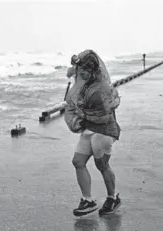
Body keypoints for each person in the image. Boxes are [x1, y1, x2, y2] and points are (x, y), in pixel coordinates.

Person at [64, 50, 122, 217]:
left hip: (104, 129)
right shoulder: (84, 80)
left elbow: (103, 118)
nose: (82, 72)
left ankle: (113, 198)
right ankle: (88, 200)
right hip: (89, 128)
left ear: (95, 71)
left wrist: (82, 116)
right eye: (81, 68)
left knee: (102, 165)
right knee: (77, 161)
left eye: (87, 70)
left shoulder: (99, 89)